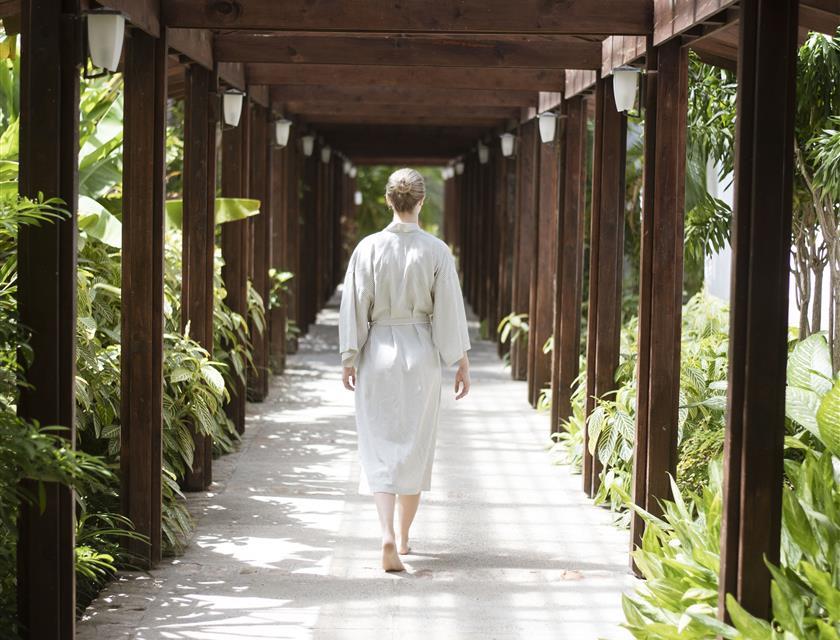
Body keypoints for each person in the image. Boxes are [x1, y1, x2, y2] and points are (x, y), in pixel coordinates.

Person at [338, 168, 472, 572]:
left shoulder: (367, 248)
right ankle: (406, 537)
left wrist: (349, 356)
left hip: (377, 351)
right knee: (415, 446)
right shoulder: (436, 251)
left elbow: (354, 306)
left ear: (388, 200)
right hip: (421, 354)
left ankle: (386, 535)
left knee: (378, 445)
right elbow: (448, 310)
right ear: (421, 201)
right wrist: (460, 362)